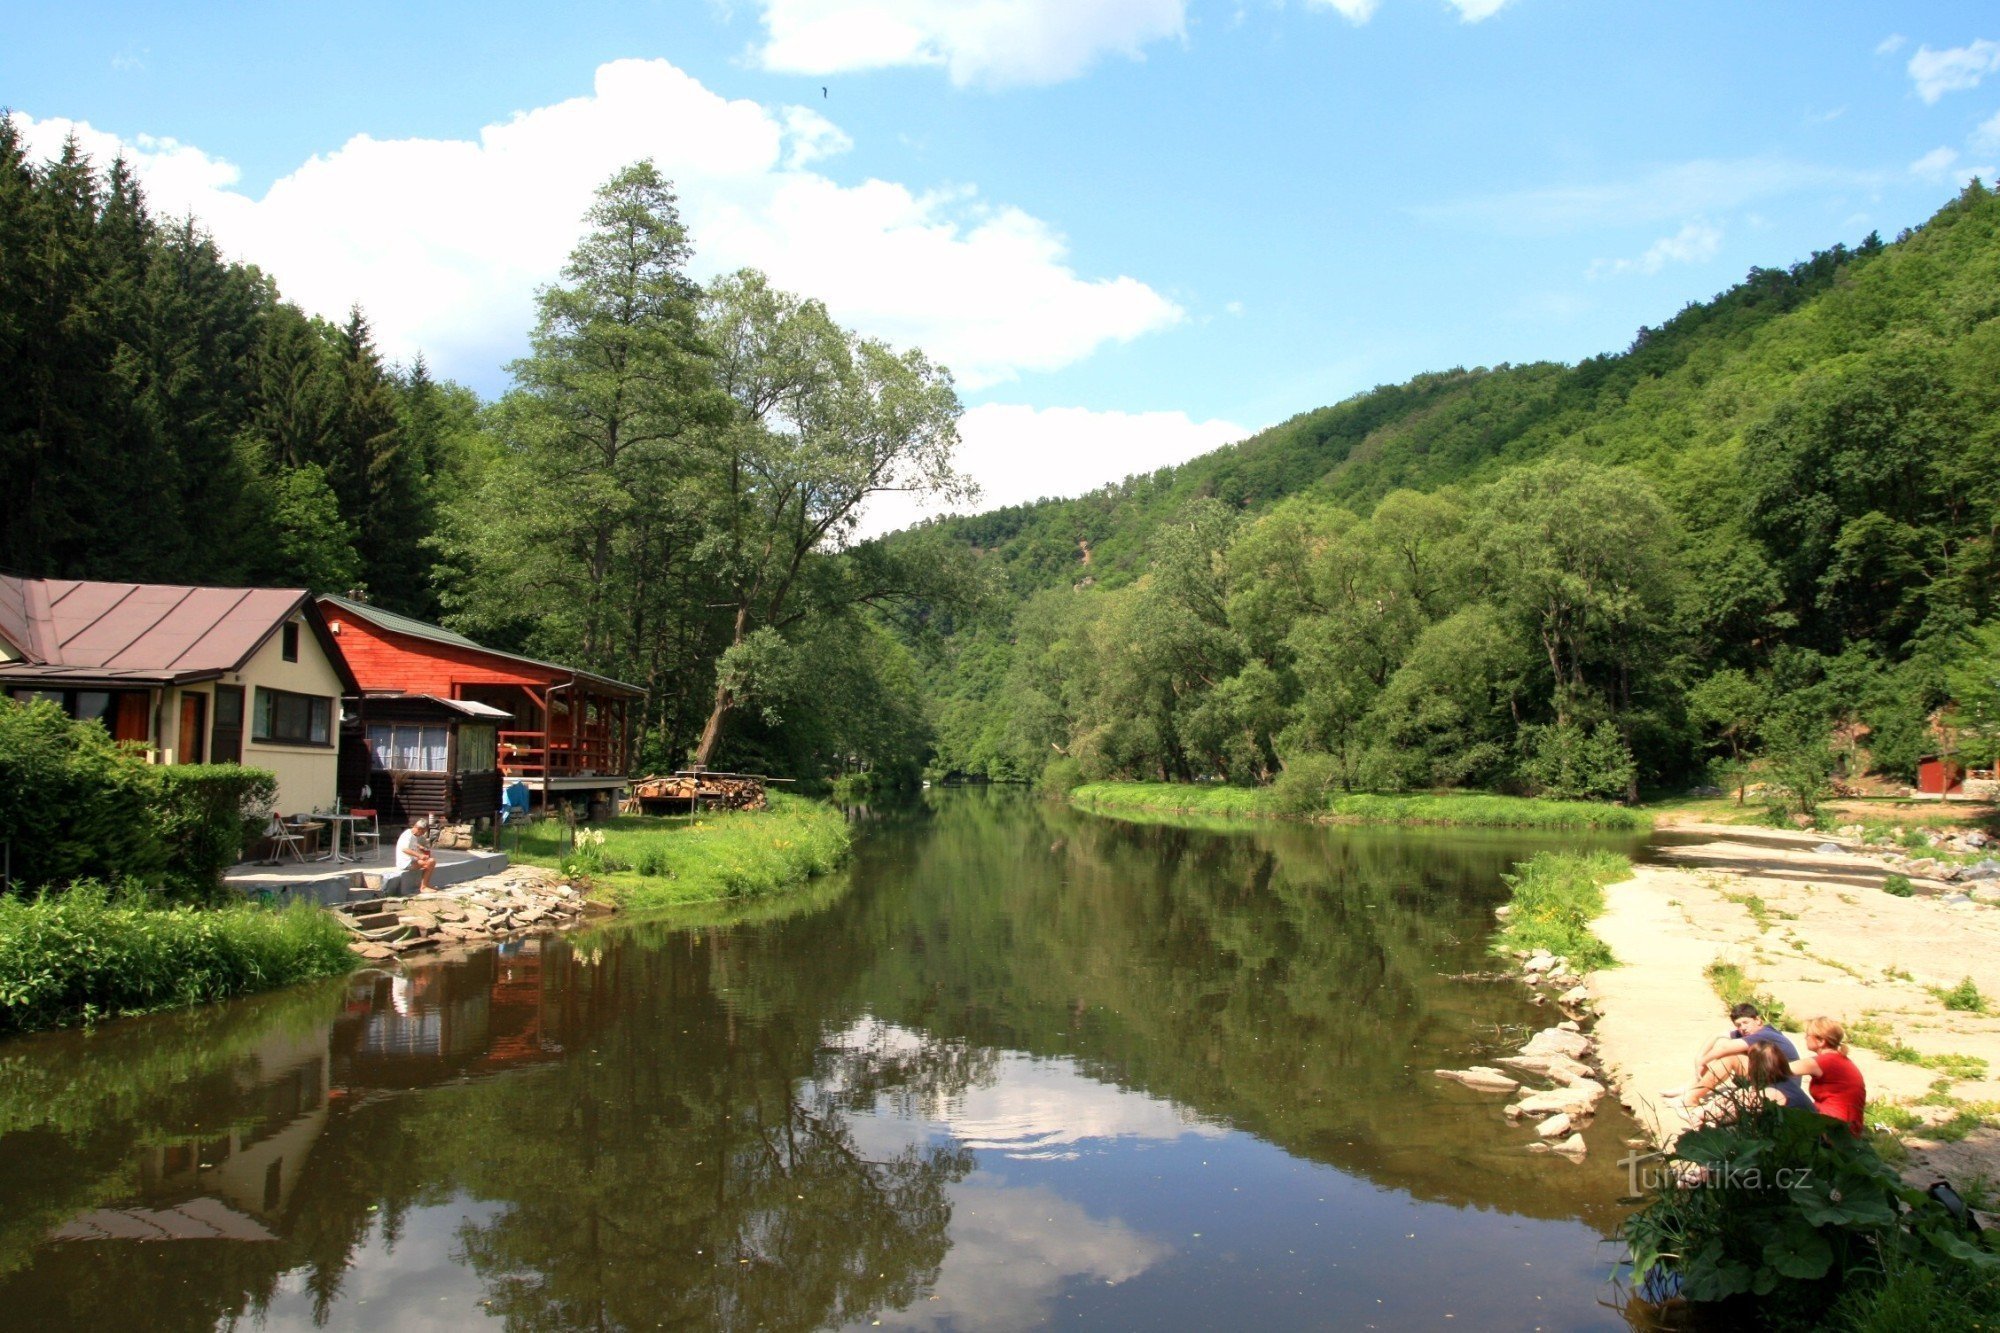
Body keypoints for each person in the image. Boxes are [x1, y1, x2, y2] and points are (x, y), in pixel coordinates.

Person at [1664, 1002, 1800, 1107]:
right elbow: (1718, 1036)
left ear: (1758, 1020)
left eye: (1746, 1022)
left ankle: (1692, 1098)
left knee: (1730, 1057)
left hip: (1782, 1084)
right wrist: (1699, 1057)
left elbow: (1724, 1048)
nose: (1743, 1028)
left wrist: (1702, 1062)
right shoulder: (1750, 1032)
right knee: (1722, 1044)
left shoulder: (1765, 1034)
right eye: (1738, 1025)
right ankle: (1690, 1088)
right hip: (1767, 1075)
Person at [1790, 1016, 1867, 1134]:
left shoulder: (1825, 1061)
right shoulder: (1839, 1059)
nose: (1805, 1038)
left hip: (1834, 1127)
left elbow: (1780, 1069)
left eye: (1808, 1035)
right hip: (1848, 1124)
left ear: (1821, 1041)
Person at [394, 816, 438, 893]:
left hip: (411, 860)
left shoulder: (413, 835)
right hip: (405, 863)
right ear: (419, 829)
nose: (422, 834)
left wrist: (420, 847)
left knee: (430, 860)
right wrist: (419, 855)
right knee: (430, 862)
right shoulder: (407, 835)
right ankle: (423, 887)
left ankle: (426, 885)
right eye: (423, 832)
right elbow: (405, 849)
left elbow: (412, 844)